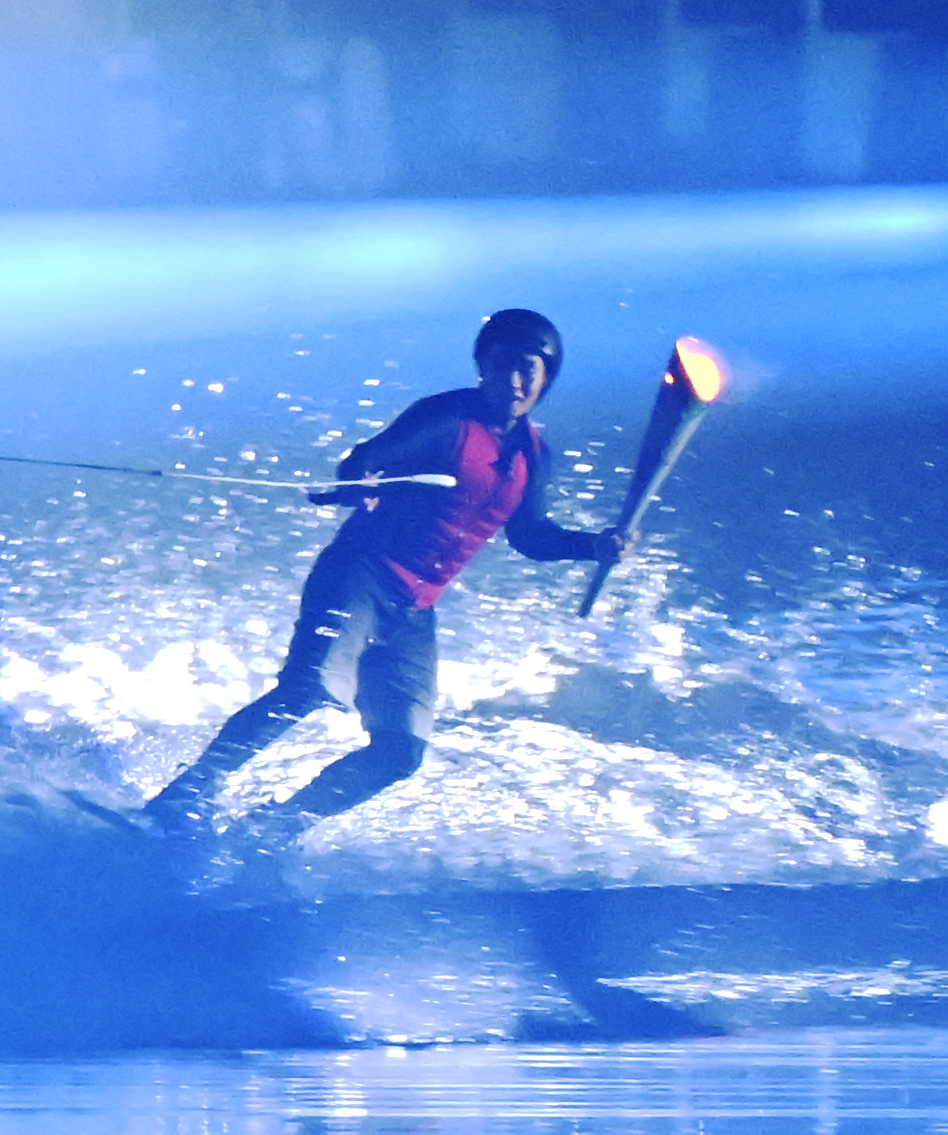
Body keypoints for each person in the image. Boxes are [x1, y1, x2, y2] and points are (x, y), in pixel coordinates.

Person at [147, 307, 621, 831]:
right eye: (502, 363)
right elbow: (363, 461)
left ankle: (274, 829)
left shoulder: (533, 454)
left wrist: (593, 546)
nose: (513, 379)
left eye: (527, 368)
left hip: (413, 612)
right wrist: (361, 483)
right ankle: (187, 793)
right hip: (360, 576)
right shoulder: (445, 419)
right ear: (482, 366)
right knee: (307, 688)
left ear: (545, 378)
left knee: (400, 751)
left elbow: (530, 536)